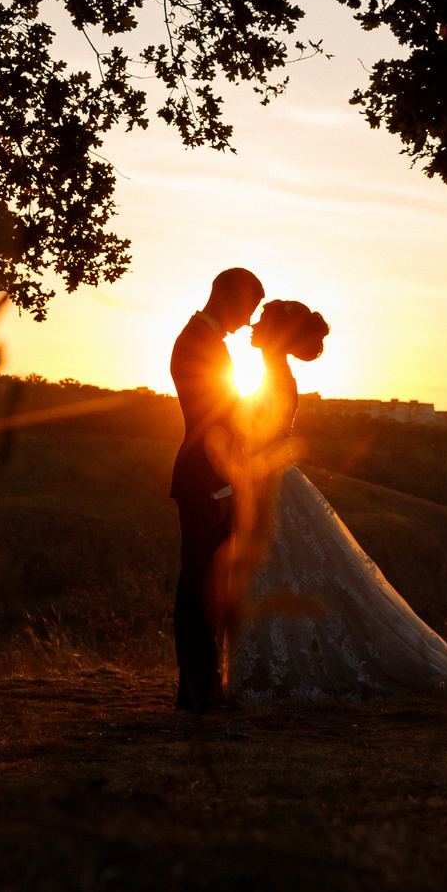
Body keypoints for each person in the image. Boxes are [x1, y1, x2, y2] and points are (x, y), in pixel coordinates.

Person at [226, 299, 447, 703]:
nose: (252, 326)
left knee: (281, 575)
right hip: (271, 486)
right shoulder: (273, 376)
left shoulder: (275, 379)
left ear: (277, 335)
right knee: (282, 575)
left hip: (271, 488)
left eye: (262, 321)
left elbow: (259, 441)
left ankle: (282, 675)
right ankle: (274, 670)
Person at [168, 267, 264, 712]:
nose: (248, 321)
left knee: (208, 583)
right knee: (197, 586)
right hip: (205, 482)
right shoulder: (198, 344)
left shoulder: (205, 342)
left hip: (209, 480)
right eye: (246, 308)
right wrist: (225, 491)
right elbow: (211, 427)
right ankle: (196, 689)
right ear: (223, 295)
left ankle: (204, 686)